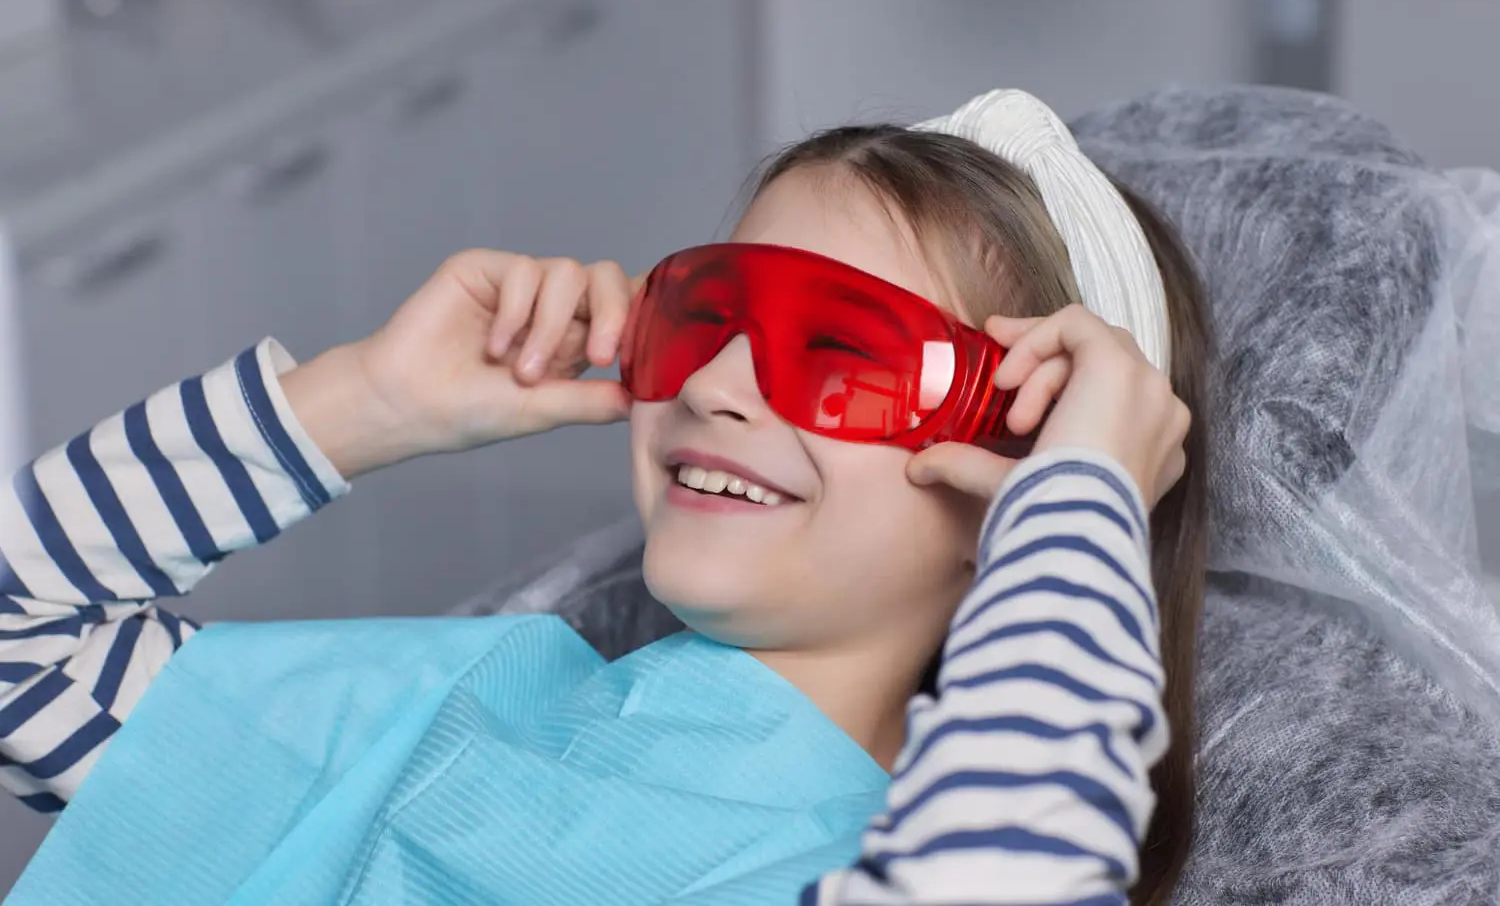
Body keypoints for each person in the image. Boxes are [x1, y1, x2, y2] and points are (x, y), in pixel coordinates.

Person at [0, 90, 1209, 905]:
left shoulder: (860, 864)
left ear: (1027, 467)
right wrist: (363, 402)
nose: (725, 383)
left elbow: (1012, 867)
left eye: (840, 356)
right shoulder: (441, 711)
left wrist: (1080, 502)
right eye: (708, 314)